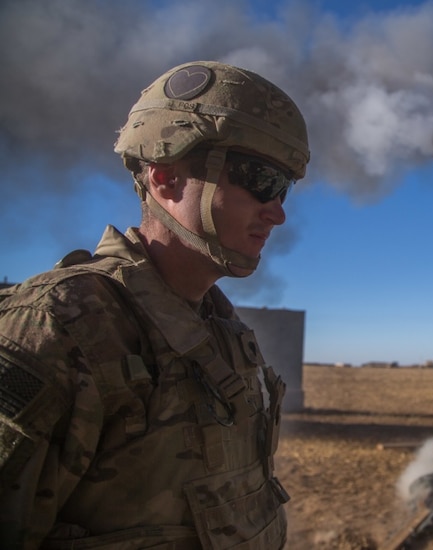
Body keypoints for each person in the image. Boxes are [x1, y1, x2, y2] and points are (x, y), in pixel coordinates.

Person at [0, 61, 310, 549]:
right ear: (166, 178)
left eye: (284, 187)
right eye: (260, 179)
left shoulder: (224, 333)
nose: (278, 211)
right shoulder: (59, 327)